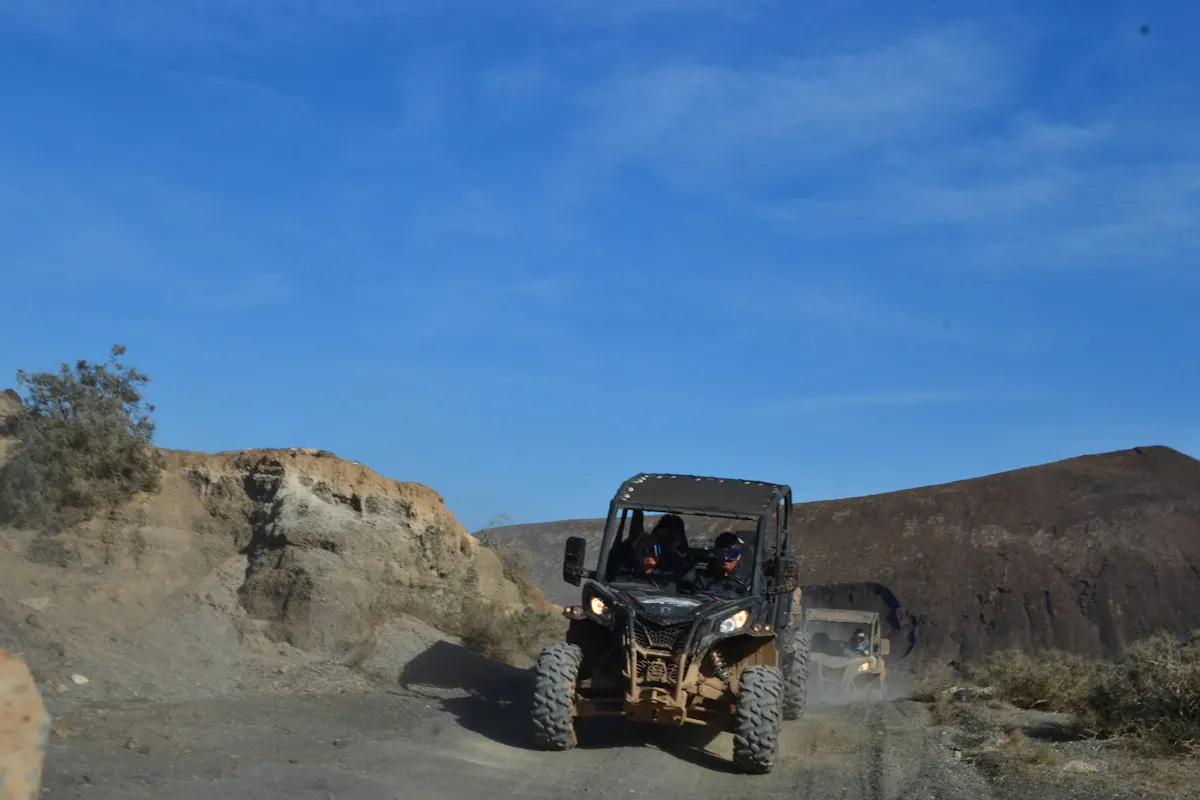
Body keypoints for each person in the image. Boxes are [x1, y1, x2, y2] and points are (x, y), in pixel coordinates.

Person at [686, 531, 753, 595]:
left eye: (731, 554)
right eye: (721, 553)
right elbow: (696, 598)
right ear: (715, 554)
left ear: (738, 556)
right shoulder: (704, 578)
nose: (726, 558)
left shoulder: (749, 580)